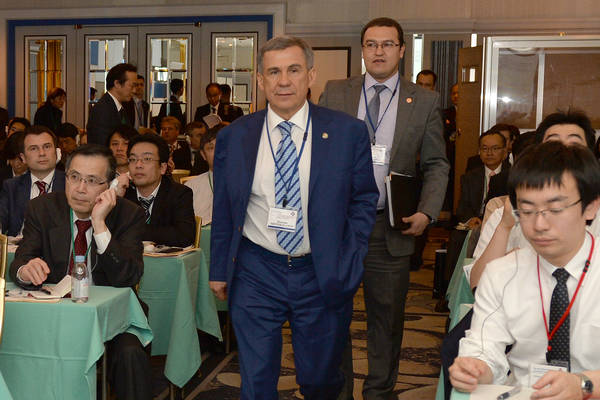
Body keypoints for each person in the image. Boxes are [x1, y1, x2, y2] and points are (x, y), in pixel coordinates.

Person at [209, 35, 378, 399]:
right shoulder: (234, 137)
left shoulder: (347, 132)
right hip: (255, 270)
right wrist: (219, 269)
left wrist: (350, 259)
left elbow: (364, 200)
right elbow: (224, 208)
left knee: (319, 381)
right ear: (260, 80)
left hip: (320, 271)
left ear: (311, 75)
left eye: (293, 70)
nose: (283, 81)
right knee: (256, 380)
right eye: (273, 72)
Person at [319, 17, 449, 399]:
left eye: (387, 44)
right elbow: (317, 153)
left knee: (387, 320)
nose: (378, 51)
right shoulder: (335, 92)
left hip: (390, 226)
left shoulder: (424, 100)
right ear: (362, 49)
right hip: (339, 228)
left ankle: (379, 392)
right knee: (332, 317)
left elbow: (437, 164)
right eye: (371, 44)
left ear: (401, 50)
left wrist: (427, 211)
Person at [450, 141, 600, 399]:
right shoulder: (502, 273)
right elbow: (484, 349)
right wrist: (476, 369)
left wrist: (583, 385)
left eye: (555, 209)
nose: (539, 224)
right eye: (527, 211)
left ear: (590, 207)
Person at [9, 144, 152, 400]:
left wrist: (99, 224)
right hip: (54, 319)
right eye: (74, 177)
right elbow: (20, 261)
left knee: (130, 353)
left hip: (111, 322)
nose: (80, 188)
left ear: (109, 185)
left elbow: (128, 276)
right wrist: (25, 270)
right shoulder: (42, 208)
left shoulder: (128, 215)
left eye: (92, 181)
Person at [124, 134, 195, 247]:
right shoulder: (123, 193)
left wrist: (134, 230)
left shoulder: (179, 194)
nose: (138, 165)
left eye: (147, 159)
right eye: (133, 159)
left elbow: (184, 236)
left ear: (162, 168)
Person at [0, 125, 66, 236]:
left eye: (47, 147)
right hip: (19, 244)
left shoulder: (71, 184)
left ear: (56, 152)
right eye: (33, 148)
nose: (42, 153)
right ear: (23, 158)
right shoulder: (12, 187)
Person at [456, 129, 507, 229]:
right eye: (484, 149)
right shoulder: (469, 177)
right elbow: (463, 208)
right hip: (476, 224)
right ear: (479, 151)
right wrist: (471, 219)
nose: (489, 153)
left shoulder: (512, 175)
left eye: (495, 148)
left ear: (504, 152)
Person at [86, 63, 137, 146]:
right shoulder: (102, 110)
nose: (134, 90)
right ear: (117, 83)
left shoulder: (119, 108)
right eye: (132, 86)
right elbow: (101, 146)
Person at [184, 124, 221, 225]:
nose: (218, 152)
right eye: (211, 148)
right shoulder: (191, 187)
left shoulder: (247, 184)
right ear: (203, 155)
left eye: (222, 146)